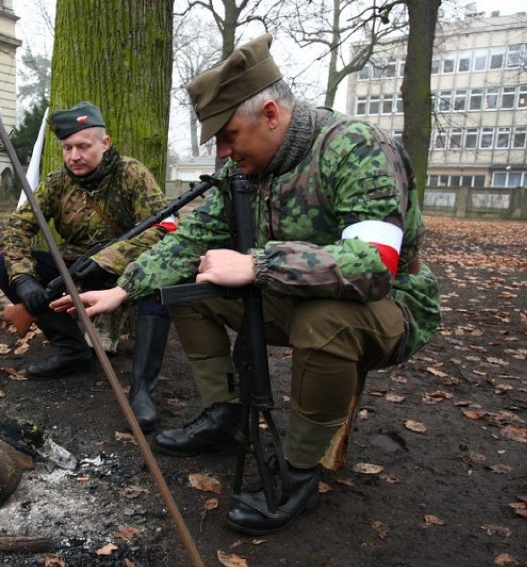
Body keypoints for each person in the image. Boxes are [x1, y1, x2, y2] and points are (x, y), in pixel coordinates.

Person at [51, 35, 441, 534]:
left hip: (388, 305)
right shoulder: (249, 168)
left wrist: (257, 264)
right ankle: (224, 413)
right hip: (296, 295)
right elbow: (190, 240)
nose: (223, 150)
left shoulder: (356, 147)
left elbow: (373, 265)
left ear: (272, 113)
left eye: (229, 134)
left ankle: (298, 470)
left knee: (326, 321)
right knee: (190, 287)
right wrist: (125, 288)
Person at [0, 101, 174, 431]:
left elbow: (164, 230)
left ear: (105, 144)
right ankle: (72, 350)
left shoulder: (133, 175)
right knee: (3, 265)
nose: (74, 155)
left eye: (83, 146)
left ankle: (143, 389)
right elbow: (17, 228)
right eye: (67, 147)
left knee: (159, 282)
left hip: (126, 270)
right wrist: (24, 280)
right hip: (73, 267)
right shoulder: (55, 183)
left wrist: (111, 260)